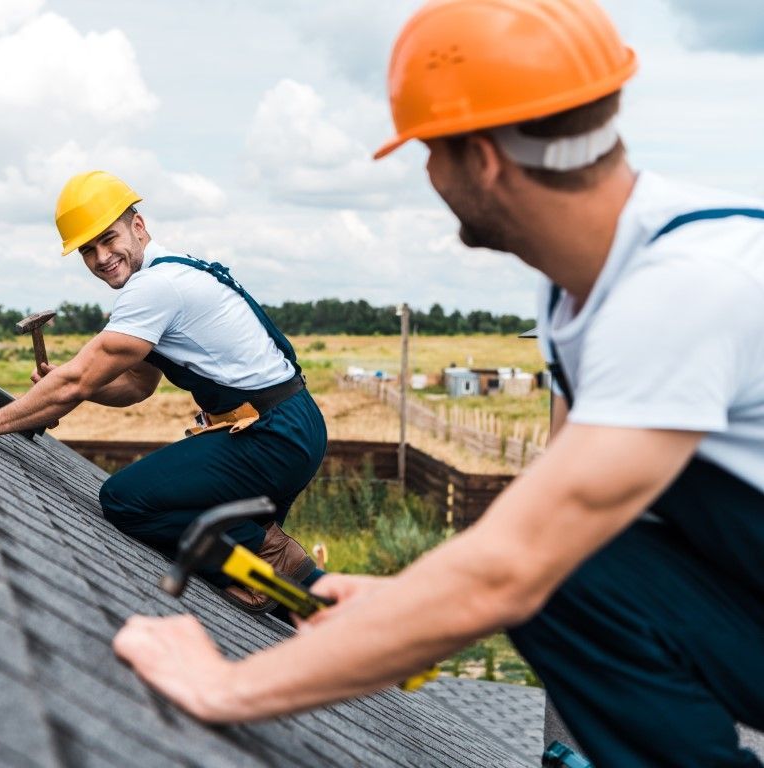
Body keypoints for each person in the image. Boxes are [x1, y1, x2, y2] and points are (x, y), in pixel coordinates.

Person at [111, 1, 764, 765]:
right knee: (570, 572)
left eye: (427, 150)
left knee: (554, 570)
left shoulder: (680, 290)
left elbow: (517, 564)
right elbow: (544, 523)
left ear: (481, 157)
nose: (426, 174)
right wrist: (399, 602)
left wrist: (226, 688)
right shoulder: (577, 293)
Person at [0, 170, 328, 611]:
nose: (102, 257)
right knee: (268, 573)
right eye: (88, 250)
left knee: (128, 500)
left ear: (139, 226)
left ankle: (273, 557)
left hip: (270, 436)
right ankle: (331, 620)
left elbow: (77, 379)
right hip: (291, 426)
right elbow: (135, 385)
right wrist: (75, 386)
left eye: (109, 239)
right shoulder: (170, 275)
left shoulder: (154, 288)